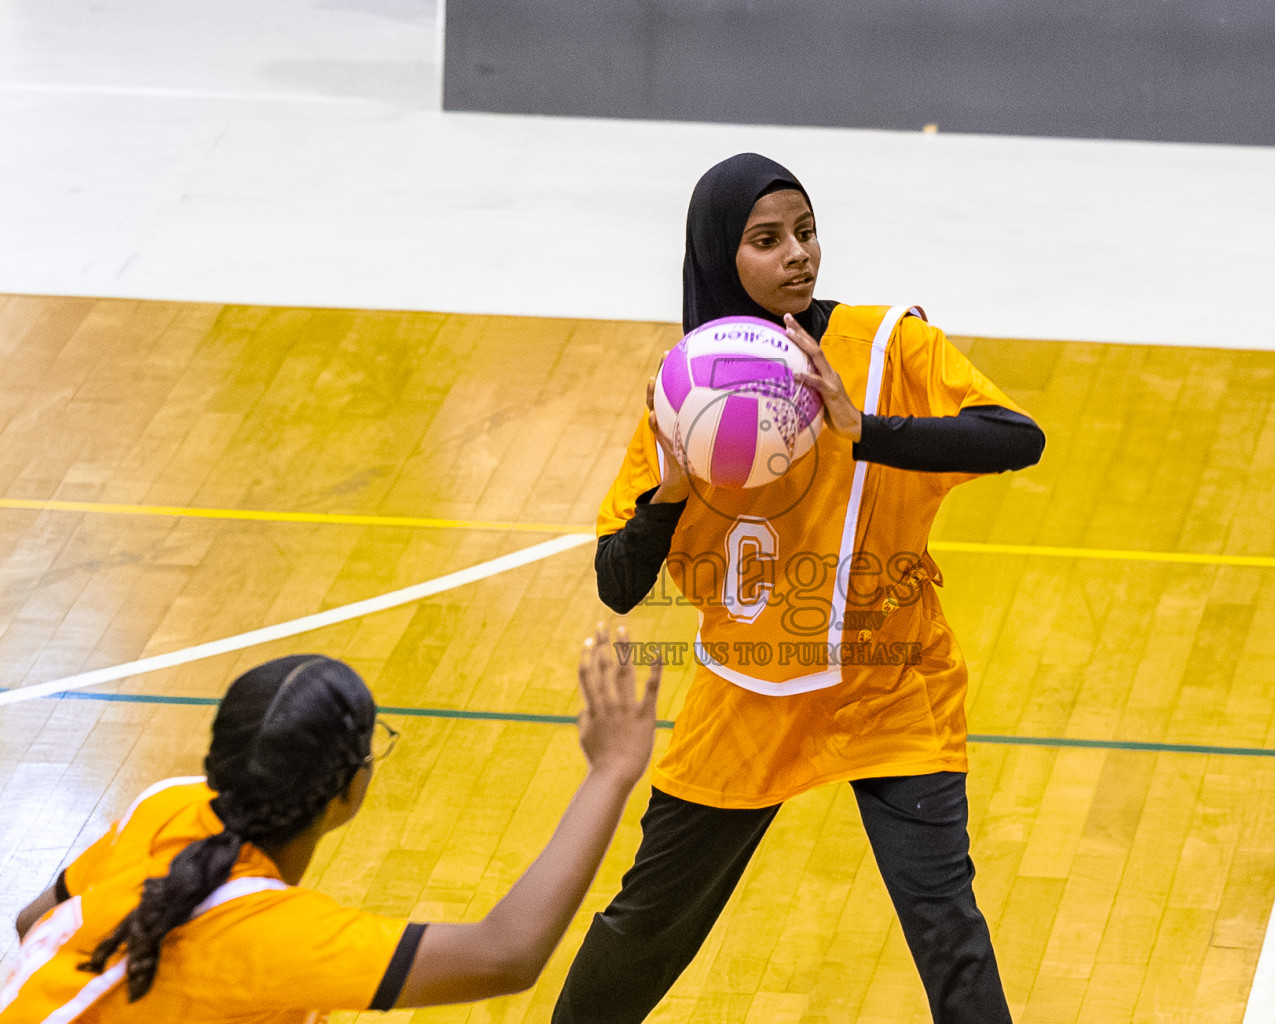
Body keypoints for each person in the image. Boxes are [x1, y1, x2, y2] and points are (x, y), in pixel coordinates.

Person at [556, 153, 1046, 1023]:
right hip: (751, 695)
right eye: (767, 239)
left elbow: (1016, 437)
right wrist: (671, 494)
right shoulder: (686, 393)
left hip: (890, 681)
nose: (798, 256)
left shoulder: (888, 346)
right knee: (646, 926)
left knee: (948, 930)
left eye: (806, 232)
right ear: (718, 257)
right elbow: (616, 582)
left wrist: (869, 430)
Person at [4, 625, 660, 1023]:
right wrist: (611, 772)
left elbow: (35, 922)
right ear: (347, 791)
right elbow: (505, 955)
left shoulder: (167, 802)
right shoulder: (274, 940)